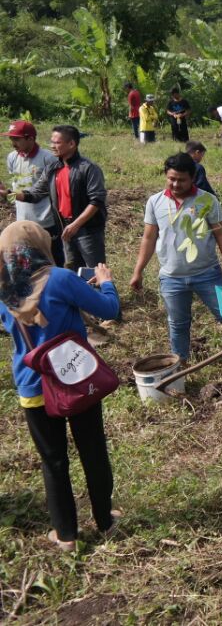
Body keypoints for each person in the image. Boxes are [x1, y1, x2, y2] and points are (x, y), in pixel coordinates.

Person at [0, 221, 120, 551]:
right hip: (75, 380)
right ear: (40, 246)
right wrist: (106, 284)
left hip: (32, 387)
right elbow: (109, 309)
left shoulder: (4, 289)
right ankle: (105, 521)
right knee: (93, 450)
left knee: (53, 462)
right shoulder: (61, 279)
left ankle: (66, 535)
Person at [128, 153, 222, 364]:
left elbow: (221, 235)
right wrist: (138, 271)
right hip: (171, 277)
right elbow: (149, 238)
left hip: (207, 273)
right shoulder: (155, 202)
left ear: (192, 178)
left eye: (181, 180)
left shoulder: (207, 200)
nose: (175, 184)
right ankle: (181, 364)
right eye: (171, 178)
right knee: (178, 324)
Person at [13, 126, 108, 269]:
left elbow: (97, 200)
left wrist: (75, 225)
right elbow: (35, 193)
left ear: (71, 144)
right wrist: (9, 194)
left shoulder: (88, 168)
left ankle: (103, 292)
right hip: (65, 229)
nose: (52, 146)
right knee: (73, 270)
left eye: (57, 142)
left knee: (95, 272)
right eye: (51, 142)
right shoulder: (53, 168)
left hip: (87, 230)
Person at [2, 120, 64, 267]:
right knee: (27, 263)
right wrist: (6, 194)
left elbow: (50, 190)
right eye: (11, 138)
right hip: (22, 220)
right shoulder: (12, 157)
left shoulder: (48, 158)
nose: (13, 143)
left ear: (30, 138)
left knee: (53, 260)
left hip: (45, 221)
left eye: (16, 139)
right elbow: (15, 186)